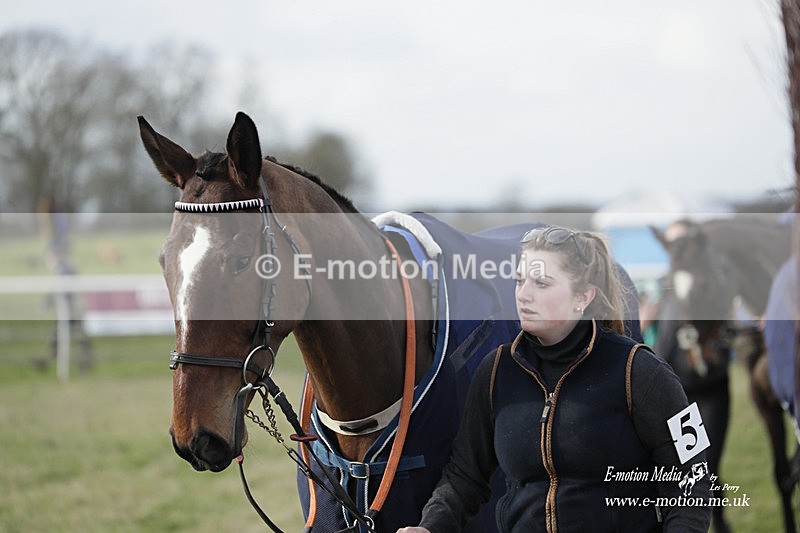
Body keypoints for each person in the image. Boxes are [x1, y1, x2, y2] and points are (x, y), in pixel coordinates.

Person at [397, 225, 711, 532]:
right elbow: (464, 477)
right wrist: (429, 527)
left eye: (541, 284)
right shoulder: (495, 371)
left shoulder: (641, 370)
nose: (523, 295)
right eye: (520, 280)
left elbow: (694, 475)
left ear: (583, 298)